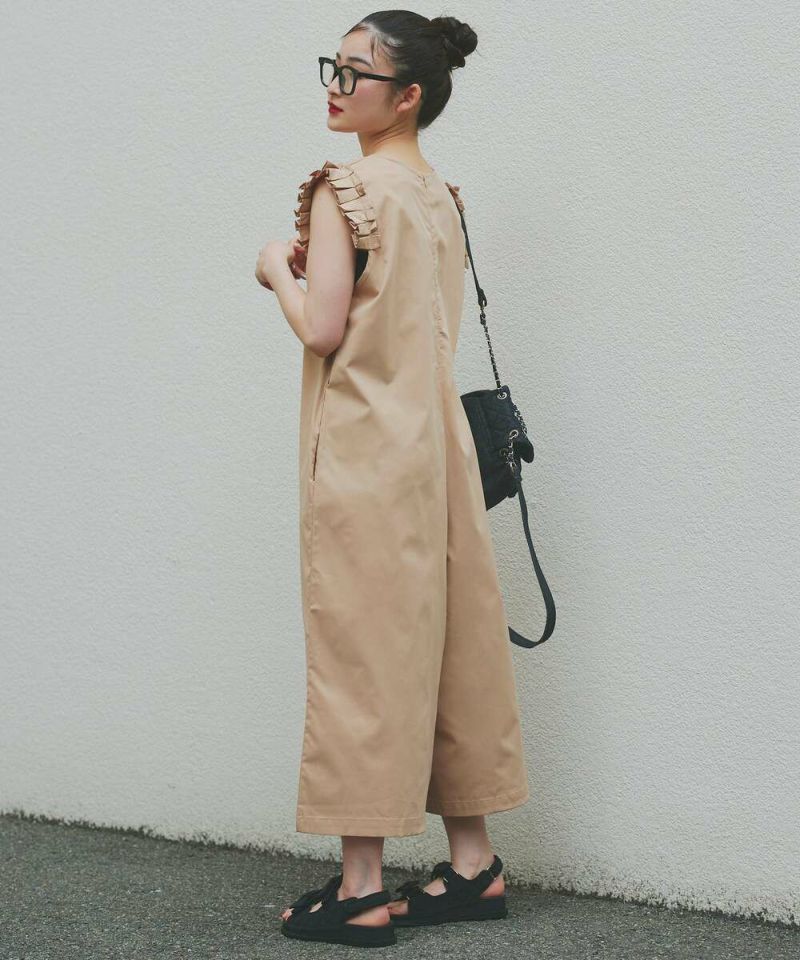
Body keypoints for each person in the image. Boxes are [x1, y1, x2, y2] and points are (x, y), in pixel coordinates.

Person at [255, 11, 530, 948]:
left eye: (356, 72)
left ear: (406, 95)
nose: (336, 85)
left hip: (370, 453)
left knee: (364, 655)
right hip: (440, 450)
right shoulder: (437, 193)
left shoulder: (345, 188)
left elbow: (324, 329)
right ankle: (473, 865)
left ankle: (363, 887)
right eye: (332, 66)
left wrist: (276, 272)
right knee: (454, 647)